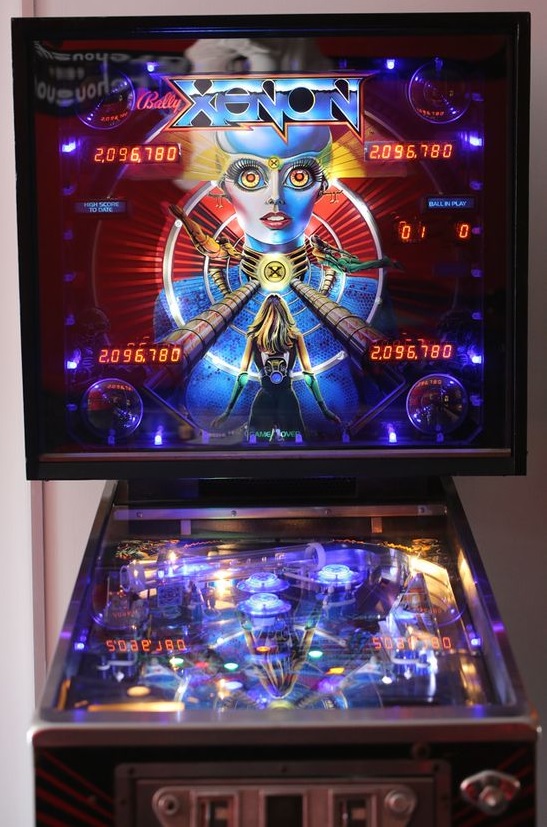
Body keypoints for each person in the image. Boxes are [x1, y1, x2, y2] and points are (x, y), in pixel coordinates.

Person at [212, 294, 339, 436]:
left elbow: (242, 377)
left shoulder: (257, 338)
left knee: (262, 444)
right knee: (290, 444)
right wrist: (324, 409)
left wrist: (228, 411)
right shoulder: (293, 337)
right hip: (283, 398)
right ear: (285, 313)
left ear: (262, 313)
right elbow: (309, 376)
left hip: (270, 399)